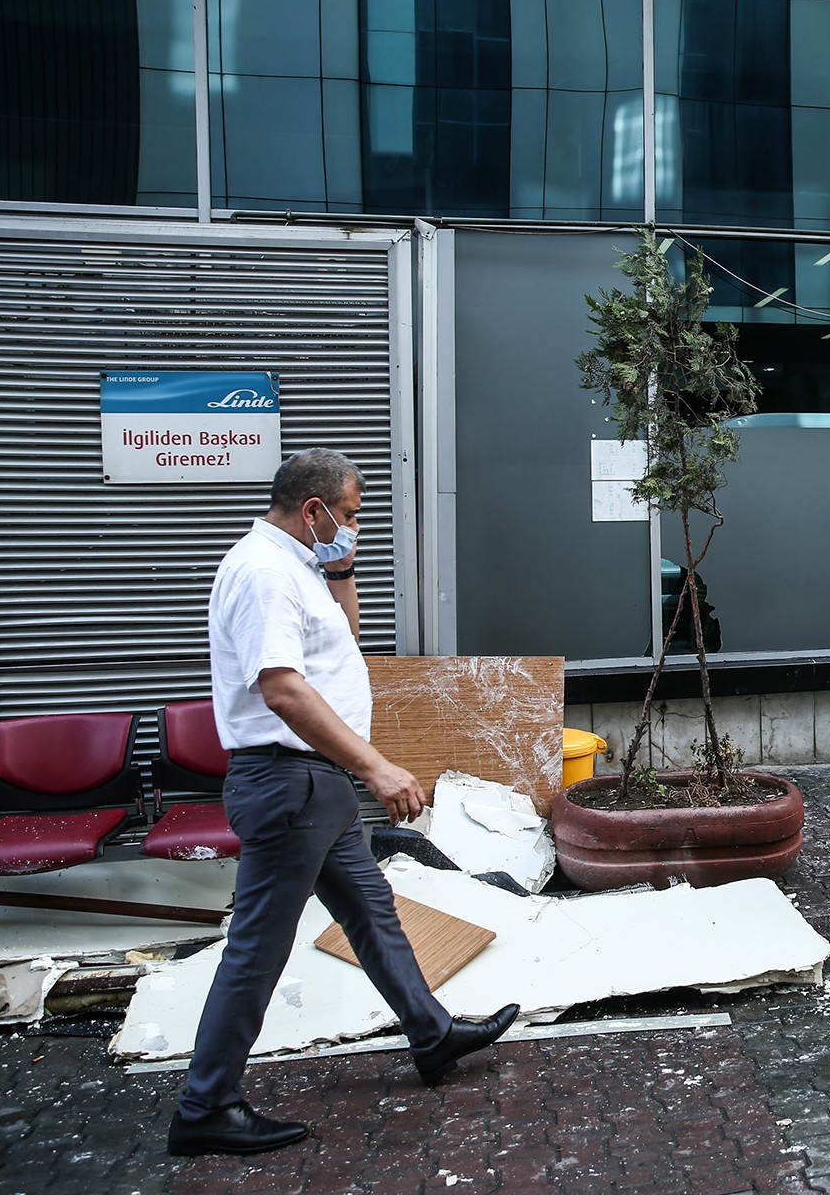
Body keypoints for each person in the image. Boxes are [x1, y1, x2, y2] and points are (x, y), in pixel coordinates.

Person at [169, 449, 520, 1157]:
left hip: (312, 787)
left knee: (369, 908)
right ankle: (205, 1106)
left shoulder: (298, 568)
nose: (352, 527)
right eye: (349, 516)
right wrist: (376, 767)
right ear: (313, 510)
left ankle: (432, 1033)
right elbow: (283, 689)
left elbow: (342, 651)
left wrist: (341, 569)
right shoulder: (265, 574)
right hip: (288, 781)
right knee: (257, 951)